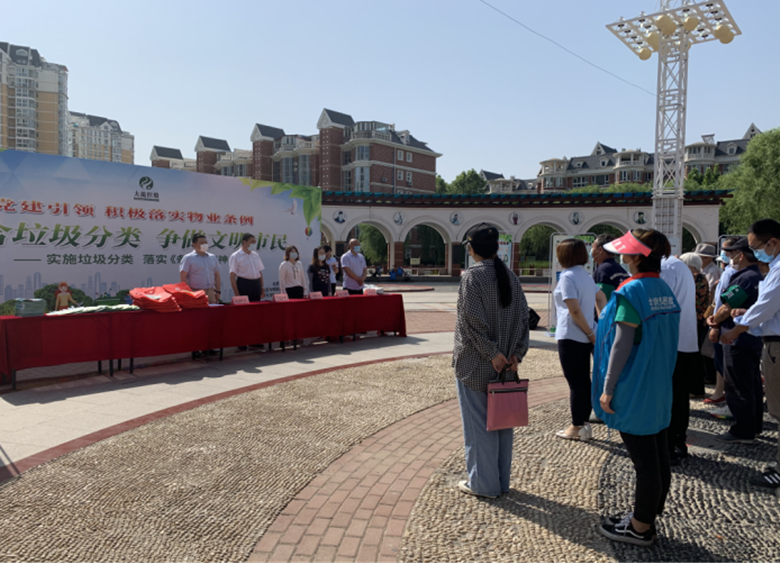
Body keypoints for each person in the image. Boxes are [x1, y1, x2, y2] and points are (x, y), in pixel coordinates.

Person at [593, 229, 680, 547]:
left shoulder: (631, 292)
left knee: (645, 463)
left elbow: (621, 344)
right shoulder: (663, 289)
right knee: (658, 456)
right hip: (658, 386)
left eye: (626, 251)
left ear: (635, 257)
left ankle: (640, 527)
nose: (622, 255)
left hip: (634, 387)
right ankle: (647, 515)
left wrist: (608, 387)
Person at [453, 223, 530, 499]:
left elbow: (470, 323)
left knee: (478, 426)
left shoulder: (472, 277)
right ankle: (500, 481)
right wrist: (516, 354)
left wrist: (492, 353)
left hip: (476, 365)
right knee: (502, 423)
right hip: (507, 365)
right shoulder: (510, 276)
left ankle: (483, 484)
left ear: (472, 249)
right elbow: (525, 319)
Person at [720, 219, 780, 490]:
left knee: (774, 405)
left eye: (756, 248)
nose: (755, 254)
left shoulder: (773, 271)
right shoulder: (770, 270)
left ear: (773, 242)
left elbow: (766, 305)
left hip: (773, 344)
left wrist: (736, 329)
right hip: (767, 339)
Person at [705, 238, 764, 444]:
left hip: (737, 338)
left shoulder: (745, 278)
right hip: (750, 337)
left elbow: (728, 305)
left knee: (738, 385)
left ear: (741, 256)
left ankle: (743, 430)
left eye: (731, 254)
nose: (729, 257)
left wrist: (715, 321)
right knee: (751, 384)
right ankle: (753, 426)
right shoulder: (756, 275)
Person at [553, 239, 607, 441]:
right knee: (584, 381)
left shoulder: (567, 277)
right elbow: (601, 297)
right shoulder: (585, 275)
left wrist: (590, 333)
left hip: (571, 334)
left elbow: (573, 309)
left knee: (576, 382)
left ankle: (577, 425)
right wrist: (599, 323)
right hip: (585, 335)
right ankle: (583, 423)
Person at [660, 250, 699, 466]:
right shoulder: (678, 265)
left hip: (671, 343)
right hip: (683, 341)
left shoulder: (665, 268)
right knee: (679, 396)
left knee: (670, 397)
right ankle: (677, 442)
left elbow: (662, 306)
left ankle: (668, 447)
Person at [705, 237, 740, 407]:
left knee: (726, 364)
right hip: (728, 323)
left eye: (727, 250)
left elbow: (724, 304)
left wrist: (715, 324)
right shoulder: (731, 272)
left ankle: (728, 400)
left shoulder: (731, 273)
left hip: (725, 325)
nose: (725, 254)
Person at [679, 252, 709, 398]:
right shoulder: (702, 277)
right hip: (700, 317)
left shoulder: (693, 277)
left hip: (693, 318)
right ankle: (697, 387)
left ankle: (695, 388)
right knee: (695, 354)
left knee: (691, 354)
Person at [180, 233, 221, 304]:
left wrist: (218, 291)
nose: (205, 244)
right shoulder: (188, 258)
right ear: (194, 245)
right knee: (197, 311)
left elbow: (217, 275)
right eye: (202, 243)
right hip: (195, 291)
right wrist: (187, 293)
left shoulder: (212, 257)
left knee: (212, 310)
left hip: (211, 291)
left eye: (206, 242)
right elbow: (183, 276)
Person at [591, 234, 630, 301]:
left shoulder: (603, 269)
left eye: (592, 248)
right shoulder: (620, 269)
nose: (591, 251)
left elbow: (603, 300)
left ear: (600, 250)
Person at [229, 233, 265, 302]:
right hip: (244, 284)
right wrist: (237, 294)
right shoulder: (236, 256)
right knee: (245, 307)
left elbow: (259, 272)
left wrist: (262, 287)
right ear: (244, 242)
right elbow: (232, 276)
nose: (254, 244)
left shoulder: (255, 255)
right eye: (252, 242)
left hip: (256, 284)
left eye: (255, 242)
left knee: (256, 306)